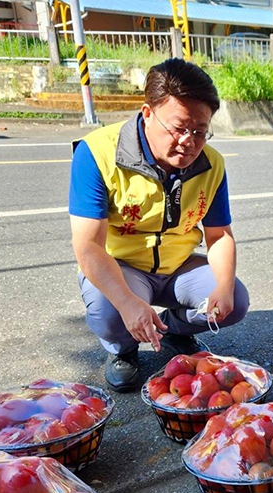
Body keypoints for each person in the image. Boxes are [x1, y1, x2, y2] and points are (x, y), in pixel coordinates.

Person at [69, 58, 249, 393]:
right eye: (179, 128)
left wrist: (223, 286)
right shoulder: (97, 153)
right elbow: (88, 246)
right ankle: (122, 349)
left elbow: (219, 234)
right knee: (110, 313)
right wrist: (126, 302)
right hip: (123, 267)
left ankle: (173, 329)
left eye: (200, 131)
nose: (189, 142)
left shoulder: (212, 164)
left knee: (235, 301)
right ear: (148, 113)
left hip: (178, 265)